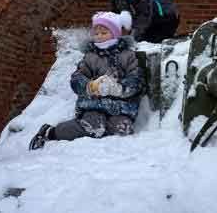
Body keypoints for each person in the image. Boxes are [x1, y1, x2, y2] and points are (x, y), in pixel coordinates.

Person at [29, 10, 144, 150]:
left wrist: (119, 89)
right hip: (93, 104)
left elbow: (136, 79)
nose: (99, 36)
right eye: (96, 33)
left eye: (104, 33)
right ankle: (51, 132)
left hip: (121, 107)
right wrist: (90, 86)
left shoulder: (128, 56)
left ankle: (110, 151)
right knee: (94, 126)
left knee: (122, 129)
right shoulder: (90, 57)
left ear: (115, 33)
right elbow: (77, 79)